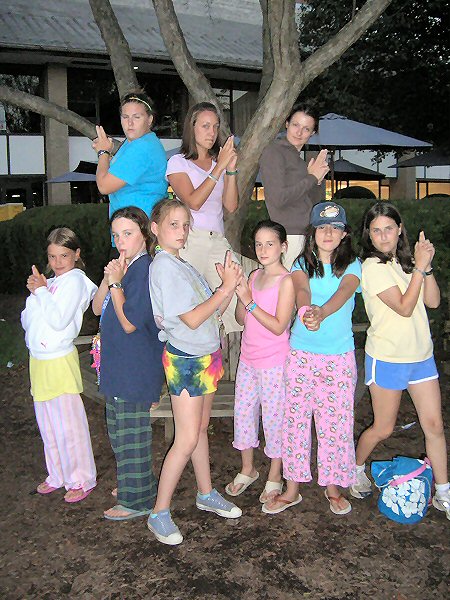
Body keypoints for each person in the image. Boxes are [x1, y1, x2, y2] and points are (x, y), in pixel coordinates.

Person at [147, 198, 243, 545]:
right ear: (155, 228)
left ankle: (205, 493)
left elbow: (206, 314)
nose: (182, 231)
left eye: (186, 224)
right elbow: (190, 318)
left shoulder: (180, 263)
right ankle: (159, 513)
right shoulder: (164, 267)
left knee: (200, 428)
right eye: (173, 224)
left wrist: (226, 289)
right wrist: (226, 288)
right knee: (186, 438)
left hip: (206, 356)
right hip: (186, 361)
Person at [350, 202, 450, 519]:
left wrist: (425, 266)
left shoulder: (406, 262)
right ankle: (354, 468)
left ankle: (444, 493)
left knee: (434, 426)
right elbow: (405, 308)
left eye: (389, 228)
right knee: (383, 428)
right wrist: (419, 268)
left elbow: (432, 301)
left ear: (399, 229)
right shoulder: (371, 267)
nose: (383, 236)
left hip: (421, 356)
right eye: (376, 230)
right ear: (368, 234)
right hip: (388, 358)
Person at [263, 202, 361, 516]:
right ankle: (292, 489)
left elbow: (345, 292)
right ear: (312, 232)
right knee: (295, 422)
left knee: (336, 425)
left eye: (335, 227)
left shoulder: (353, 265)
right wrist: (307, 312)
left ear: (344, 234)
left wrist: (323, 312)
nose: (328, 233)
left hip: (338, 358)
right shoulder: (300, 263)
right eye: (321, 227)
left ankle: (333, 486)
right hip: (301, 355)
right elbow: (302, 290)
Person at [92, 206, 165, 521]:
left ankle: (137, 501)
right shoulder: (124, 269)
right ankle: (137, 484)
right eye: (116, 235)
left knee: (132, 434)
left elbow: (130, 323)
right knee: (119, 431)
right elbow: (97, 308)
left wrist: (117, 284)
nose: (120, 241)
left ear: (144, 234)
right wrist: (108, 279)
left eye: (128, 233)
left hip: (135, 368)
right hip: (117, 366)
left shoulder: (145, 270)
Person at [21, 228, 98, 503]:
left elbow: (59, 320)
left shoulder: (75, 281)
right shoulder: (51, 283)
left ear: (76, 254)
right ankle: (57, 474)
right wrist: (36, 294)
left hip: (59, 361)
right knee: (48, 425)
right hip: (39, 361)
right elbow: (27, 321)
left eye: (64, 255)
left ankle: (81, 478)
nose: (57, 262)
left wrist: (41, 293)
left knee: (69, 425)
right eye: (52, 256)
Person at [225, 220, 294, 503]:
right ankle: (248, 469)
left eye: (270, 244)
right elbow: (242, 319)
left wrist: (250, 301)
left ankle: (275, 474)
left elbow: (279, 326)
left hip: (274, 362)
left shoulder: (287, 281)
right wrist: (240, 291)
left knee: (275, 419)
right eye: (258, 244)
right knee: (243, 413)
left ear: (283, 247)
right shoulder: (254, 275)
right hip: (248, 359)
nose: (263, 250)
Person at [166, 101, 241, 333]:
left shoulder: (219, 163)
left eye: (215, 127)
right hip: (191, 239)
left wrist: (230, 169)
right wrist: (218, 169)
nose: (212, 132)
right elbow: (194, 202)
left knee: (237, 289)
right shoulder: (178, 162)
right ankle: (188, 343)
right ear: (192, 127)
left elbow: (231, 206)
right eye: (205, 126)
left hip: (217, 238)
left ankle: (214, 336)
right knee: (189, 302)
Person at [259, 103, 330, 269]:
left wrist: (318, 180)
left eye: (306, 129)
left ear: (313, 133)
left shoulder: (299, 161)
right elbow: (278, 199)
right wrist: (311, 178)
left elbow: (314, 203)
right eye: (295, 125)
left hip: (306, 235)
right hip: (288, 236)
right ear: (287, 124)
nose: (299, 132)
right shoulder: (274, 152)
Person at [93, 91, 167, 226]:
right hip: (135, 224)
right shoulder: (135, 143)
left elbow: (104, 186)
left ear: (149, 119)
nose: (130, 123)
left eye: (137, 117)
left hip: (139, 226)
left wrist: (103, 152)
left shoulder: (142, 147)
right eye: (125, 117)